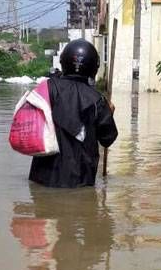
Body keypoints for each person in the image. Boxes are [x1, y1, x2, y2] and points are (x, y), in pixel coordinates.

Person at [29, 39, 118, 188]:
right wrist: (109, 112)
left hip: (42, 179)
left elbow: (29, 125)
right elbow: (107, 139)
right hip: (80, 182)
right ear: (94, 68)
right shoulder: (98, 101)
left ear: (63, 62)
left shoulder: (46, 88)